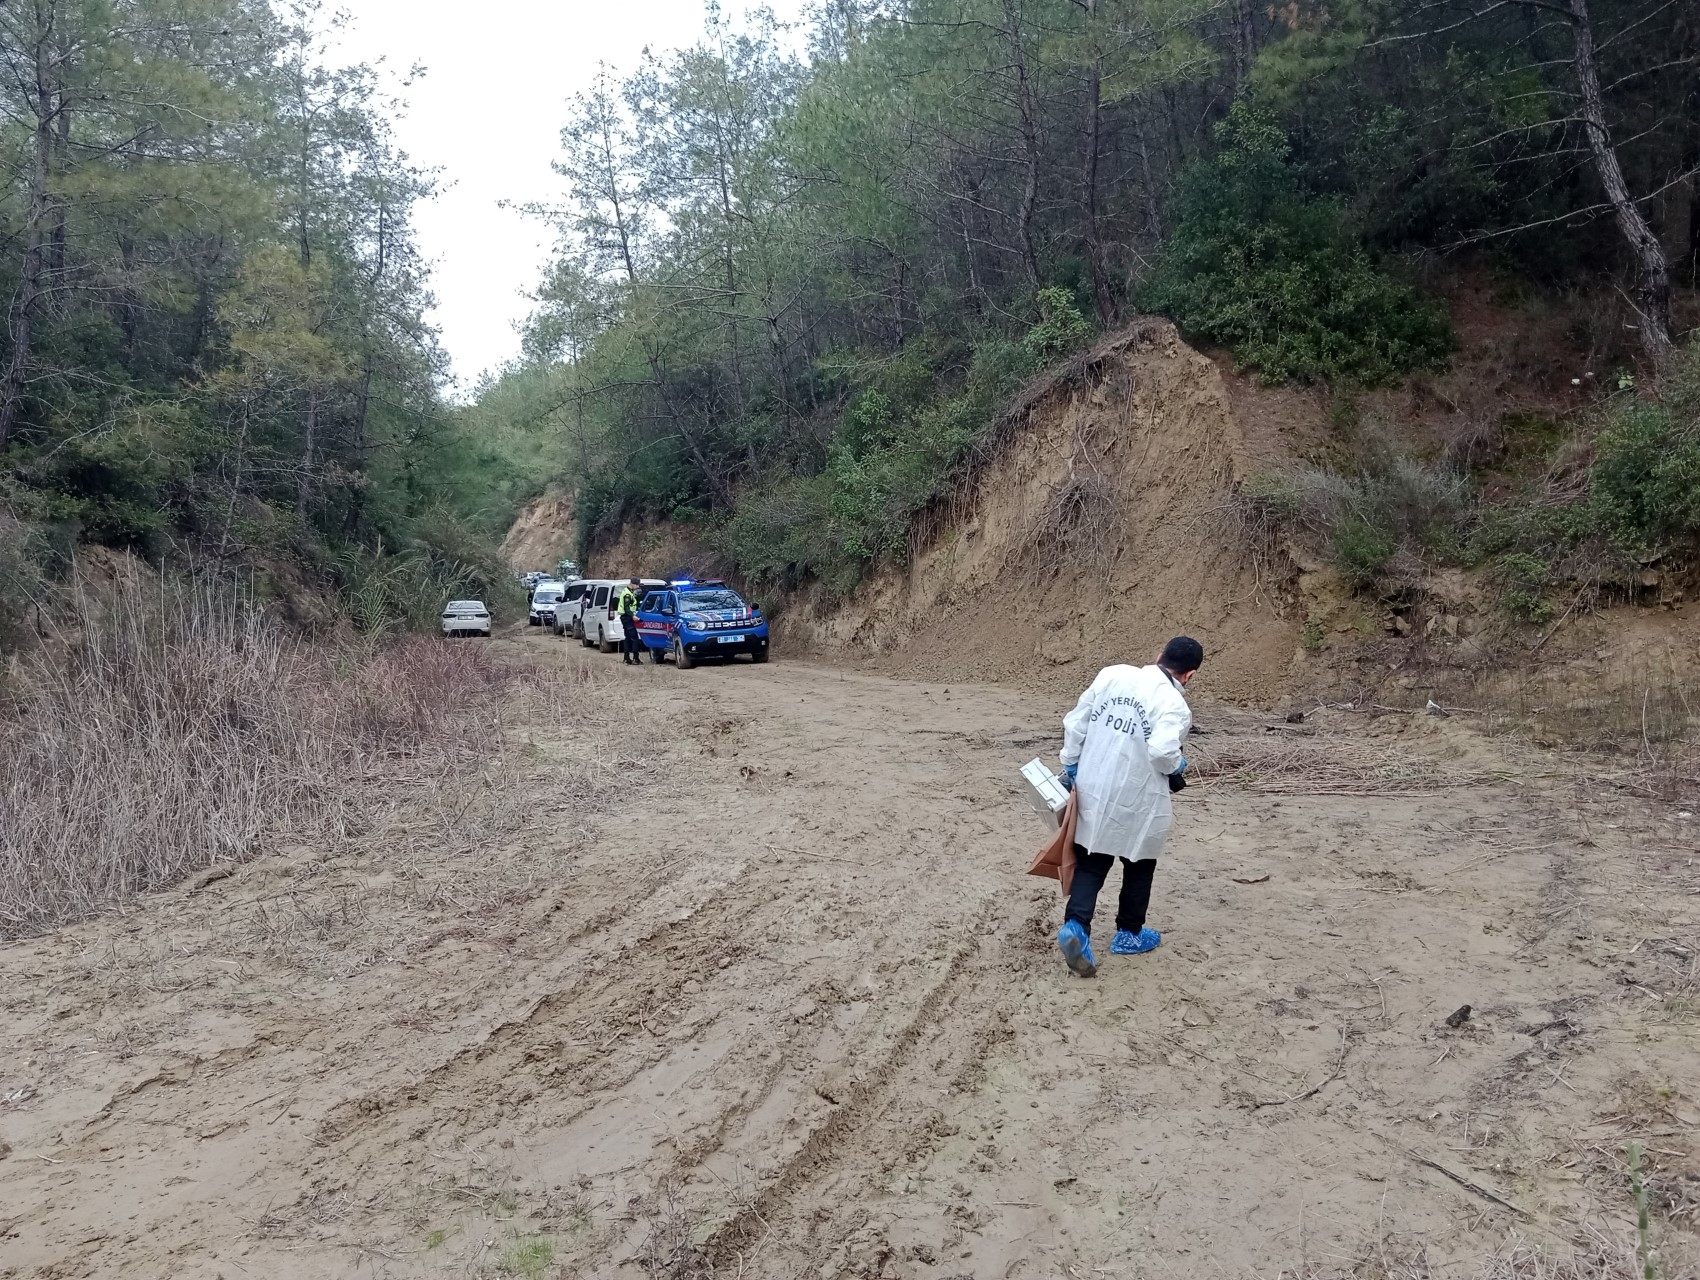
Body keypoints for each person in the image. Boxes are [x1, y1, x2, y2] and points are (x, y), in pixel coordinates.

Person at [1053, 636, 1203, 978]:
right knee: (1139, 862)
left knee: (1092, 861)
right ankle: (1129, 934)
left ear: (1158, 654)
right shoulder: (1172, 703)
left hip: (1095, 784)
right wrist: (1178, 766)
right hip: (1139, 796)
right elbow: (1164, 752)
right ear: (1189, 675)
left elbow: (1076, 723)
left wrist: (1071, 763)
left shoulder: (1113, 675)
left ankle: (1076, 927)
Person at [618, 577, 644, 665]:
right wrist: (633, 616)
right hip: (627, 618)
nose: (637, 587)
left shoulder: (628, 592)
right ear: (632, 584)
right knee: (635, 638)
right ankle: (635, 659)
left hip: (625, 618)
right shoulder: (627, 594)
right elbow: (626, 608)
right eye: (637, 585)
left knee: (628, 638)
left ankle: (626, 658)